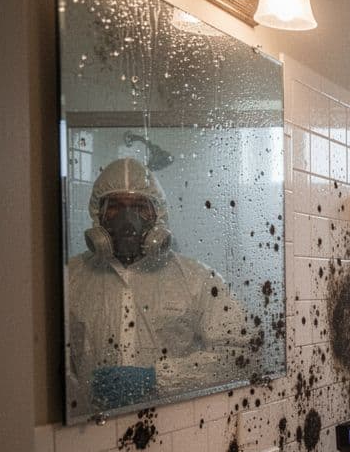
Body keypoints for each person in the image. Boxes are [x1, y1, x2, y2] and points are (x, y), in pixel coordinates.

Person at [65, 157, 248, 412]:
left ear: (158, 214)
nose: (127, 219)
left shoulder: (197, 280)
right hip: (92, 428)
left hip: (174, 424)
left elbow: (240, 355)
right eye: (115, 207)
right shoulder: (70, 278)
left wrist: (158, 379)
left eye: (140, 206)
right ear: (98, 214)